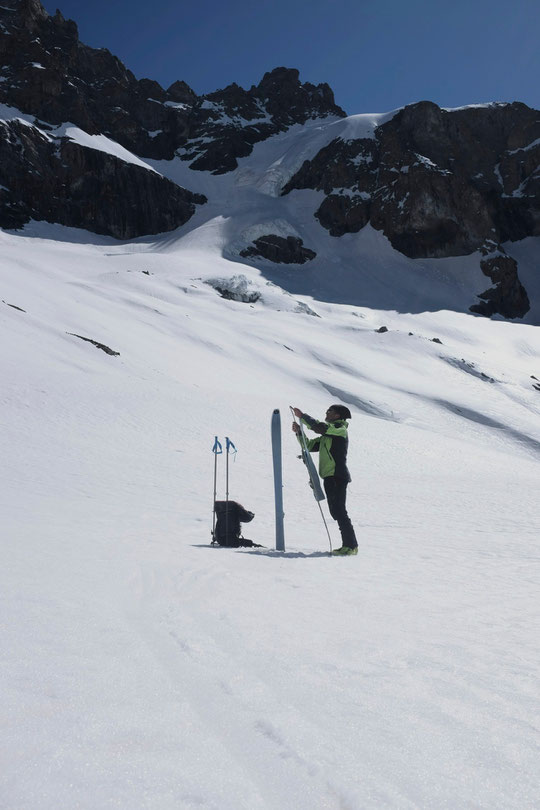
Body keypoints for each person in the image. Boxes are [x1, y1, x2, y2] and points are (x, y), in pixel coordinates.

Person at [292, 404, 358, 556]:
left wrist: (303, 416)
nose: (327, 413)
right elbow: (308, 445)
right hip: (329, 476)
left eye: (330, 411)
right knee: (336, 512)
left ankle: (351, 546)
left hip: (337, 476)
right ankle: (348, 545)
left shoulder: (340, 430)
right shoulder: (327, 436)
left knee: (340, 511)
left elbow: (319, 427)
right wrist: (299, 433)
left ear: (337, 416)